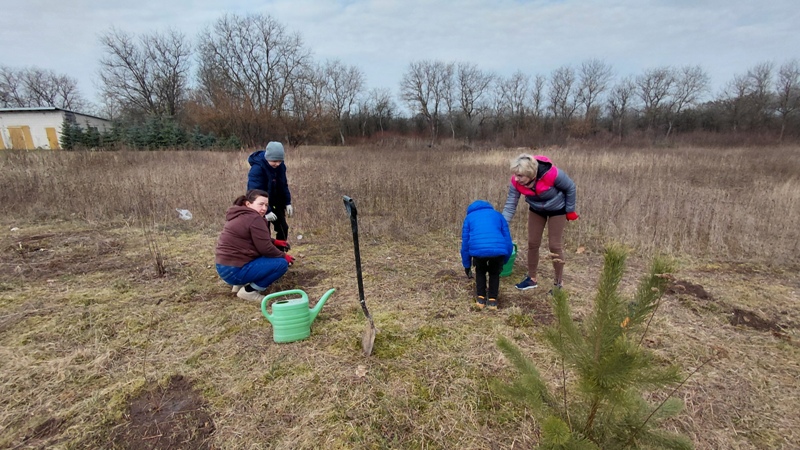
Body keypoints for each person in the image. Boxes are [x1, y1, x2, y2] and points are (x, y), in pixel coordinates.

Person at [502, 154, 578, 292]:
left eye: (520, 175)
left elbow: (570, 187)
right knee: (532, 243)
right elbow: (510, 205)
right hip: (536, 209)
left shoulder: (551, 174)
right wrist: (502, 224)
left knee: (554, 245)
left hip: (557, 209)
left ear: (530, 174)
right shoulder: (516, 182)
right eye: (515, 175)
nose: (516, 178)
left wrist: (570, 210)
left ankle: (558, 284)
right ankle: (531, 278)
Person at [215, 189, 296, 302]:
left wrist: (275, 242)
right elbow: (266, 249)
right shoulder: (255, 218)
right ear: (248, 204)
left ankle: (238, 285)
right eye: (260, 204)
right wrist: (284, 256)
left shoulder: (240, 215)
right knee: (281, 264)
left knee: (257, 255)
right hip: (234, 271)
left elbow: (254, 238)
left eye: (266, 205)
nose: (264, 208)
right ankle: (249, 291)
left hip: (223, 268)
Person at [461, 200, 514, 310]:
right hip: (498, 250)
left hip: (478, 250)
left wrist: (467, 265)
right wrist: (504, 259)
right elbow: (508, 240)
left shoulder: (469, 218)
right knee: (494, 273)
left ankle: (481, 299)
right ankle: (492, 301)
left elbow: (465, 244)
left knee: (480, 271)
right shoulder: (498, 215)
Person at [247, 141, 293, 243]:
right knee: (264, 232)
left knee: (283, 228)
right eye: (274, 161)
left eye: (280, 161)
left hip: (277, 203)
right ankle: (265, 252)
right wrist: (266, 210)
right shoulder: (257, 169)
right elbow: (254, 191)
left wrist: (287, 202)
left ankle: (280, 250)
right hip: (261, 205)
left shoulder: (281, 167)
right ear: (268, 157)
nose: (277, 164)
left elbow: (283, 185)